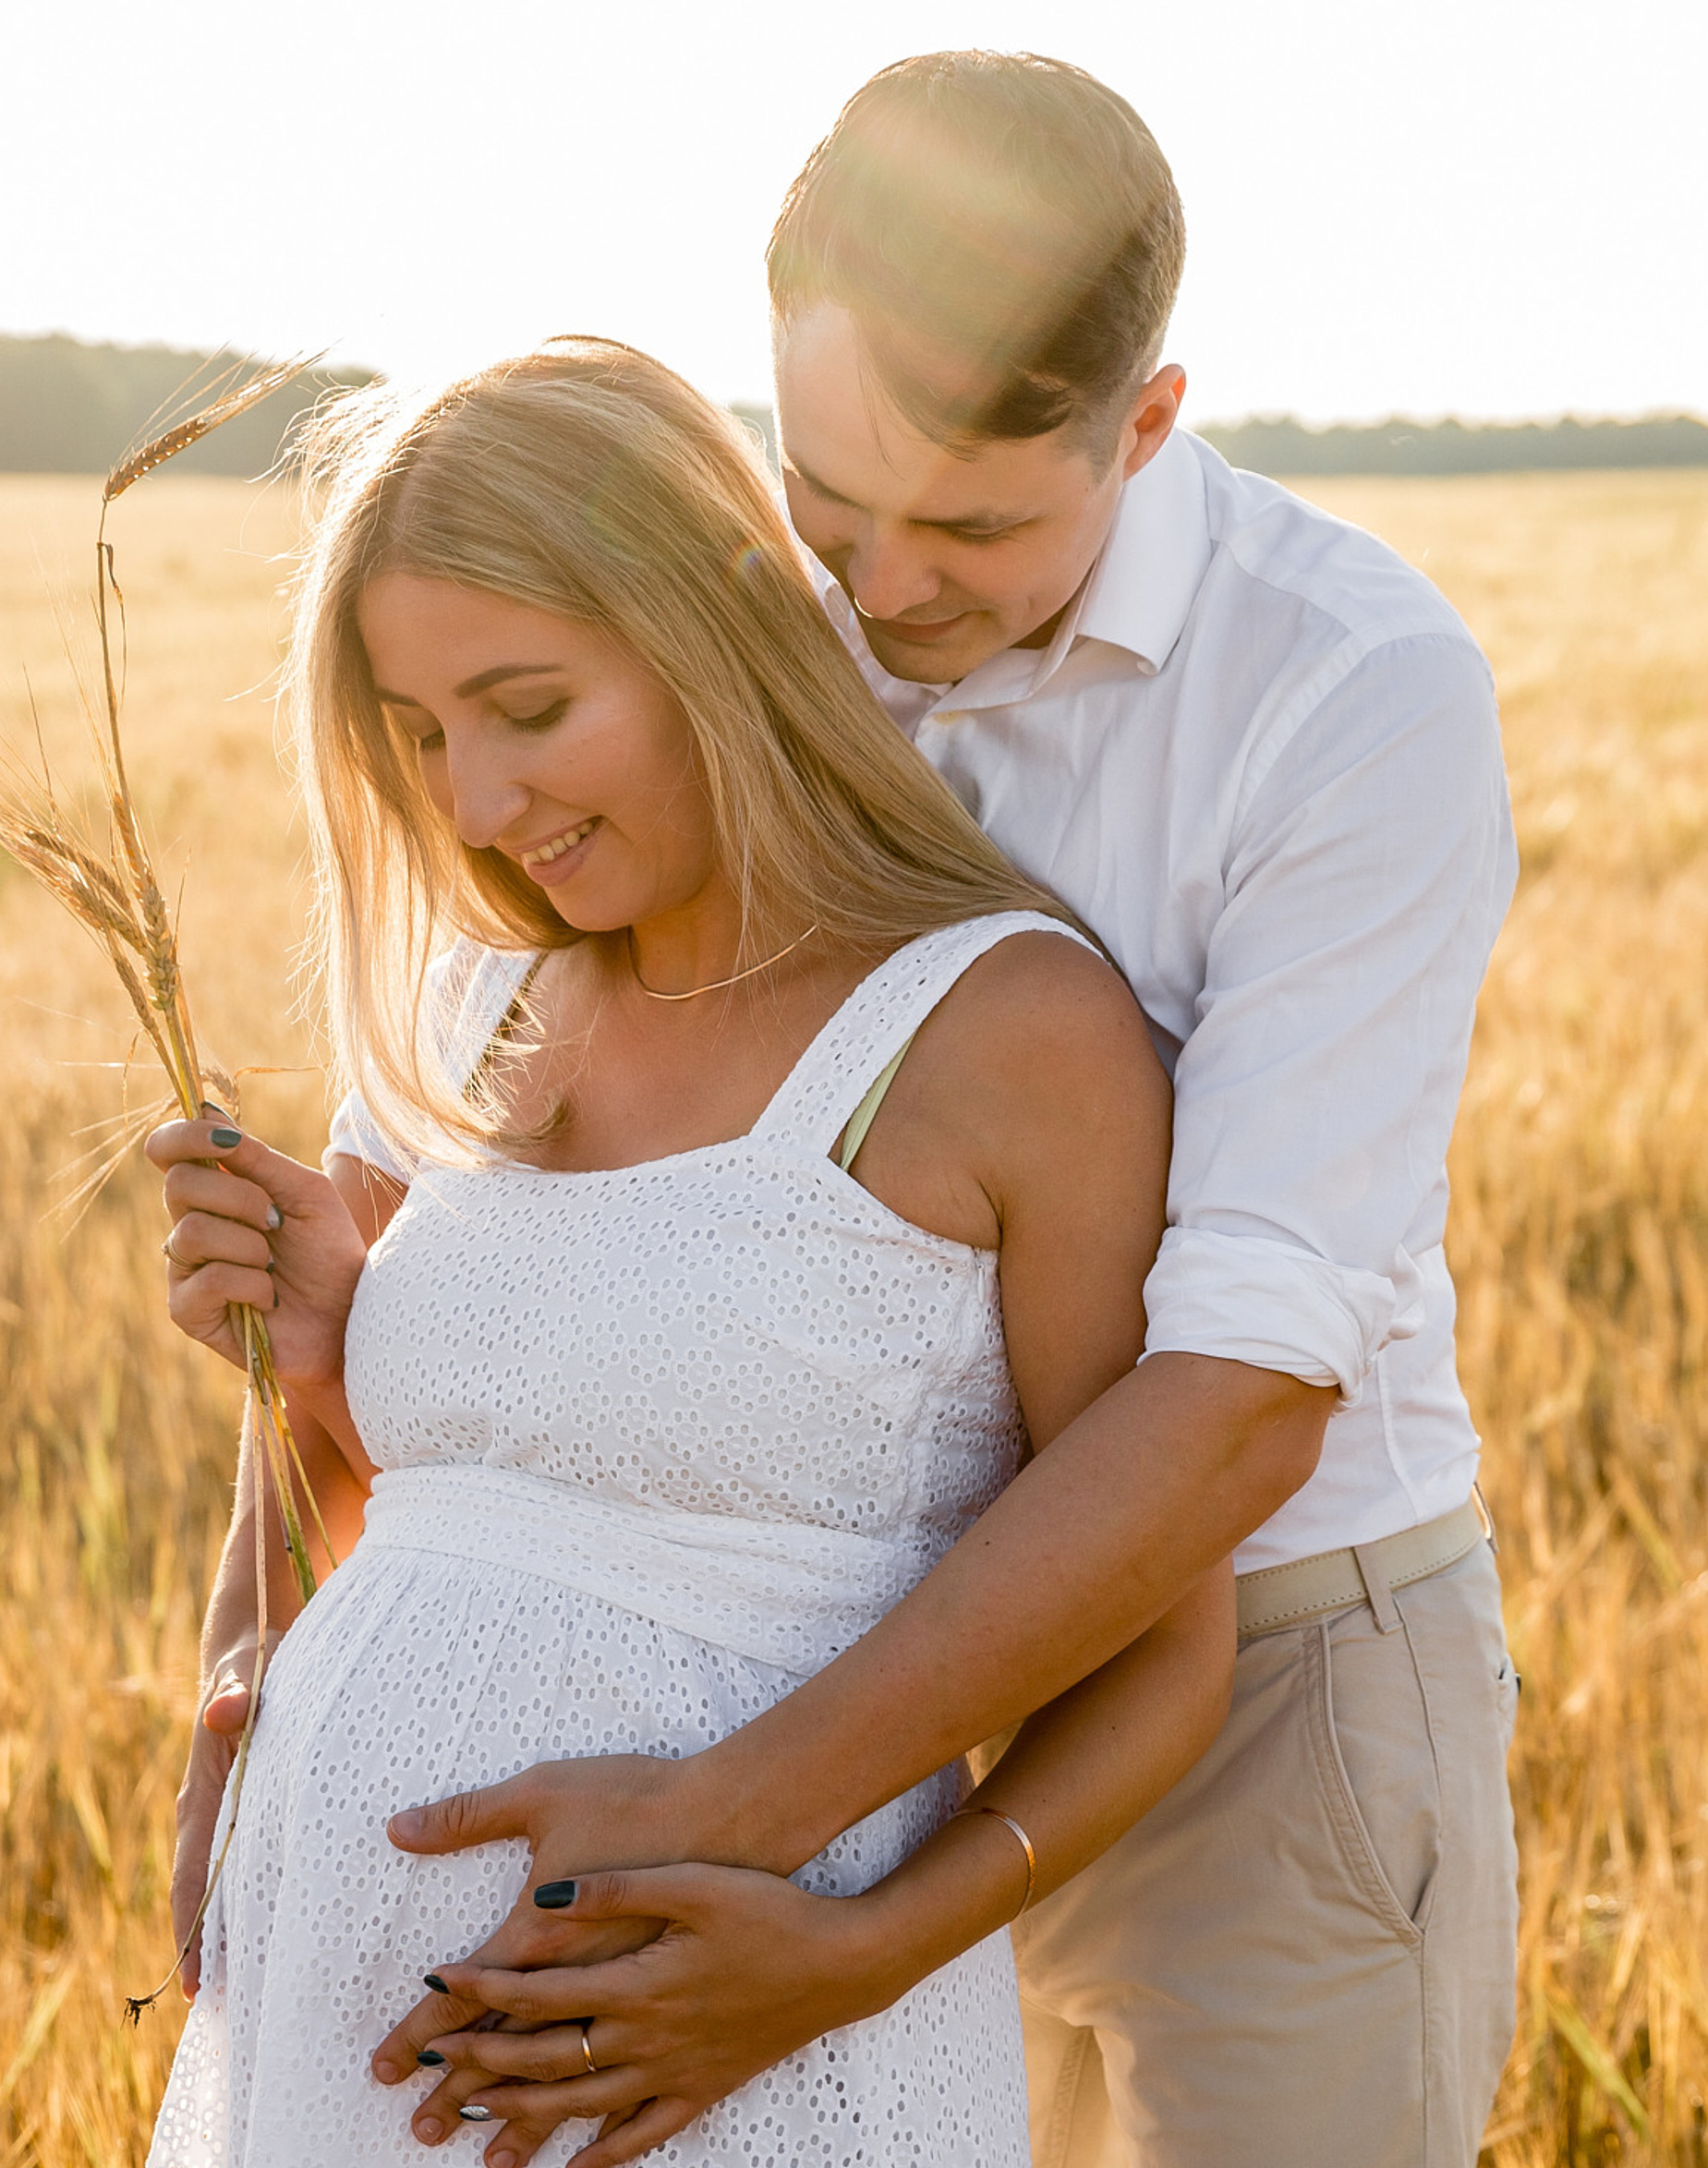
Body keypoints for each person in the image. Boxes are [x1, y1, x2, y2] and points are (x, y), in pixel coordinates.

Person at [189, 55, 1519, 2166]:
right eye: (827, 499)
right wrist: (266, 1650)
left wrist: (771, 1849)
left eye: (973, 524)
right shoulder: (689, 630)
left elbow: (1246, 1383)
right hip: (818, 1695)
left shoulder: (1342, 687)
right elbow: (443, 1264)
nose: (881, 589)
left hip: (1260, 1661)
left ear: (1146, 421)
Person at [143, 336, 1232, 2168]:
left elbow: (1163, 1644)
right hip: (334, 2004)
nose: (474, 803)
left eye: (527, 707)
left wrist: (862, 1953)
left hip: (747, 2049)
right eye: (420, 733)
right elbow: (402, 1512)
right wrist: (308, 1383)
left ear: (708, 633)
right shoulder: (477, 998)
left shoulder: (1002, 1027)